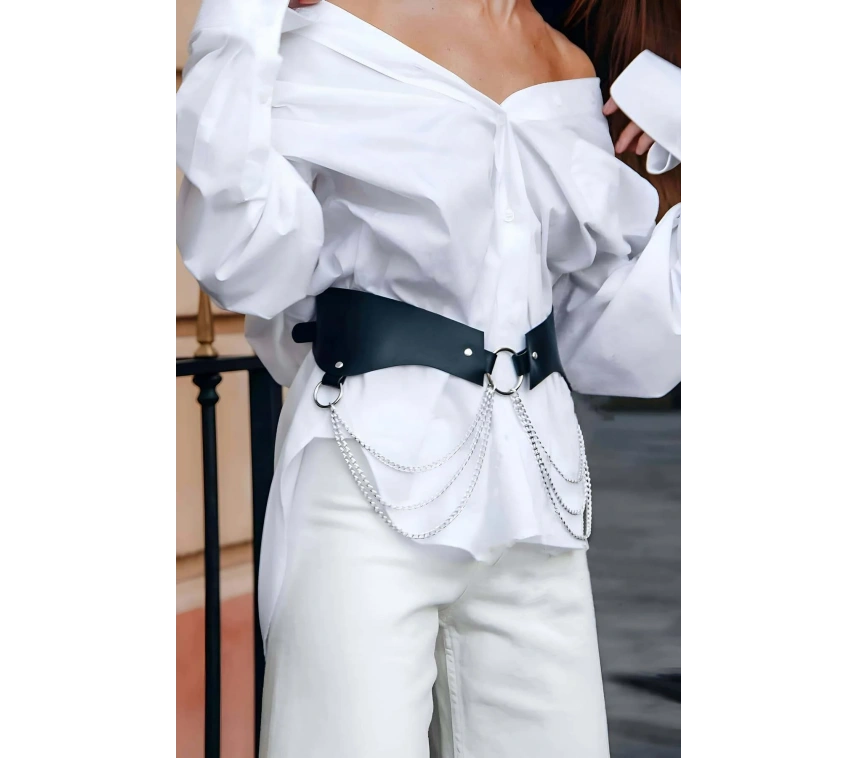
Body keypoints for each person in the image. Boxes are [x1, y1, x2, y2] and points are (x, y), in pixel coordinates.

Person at [176, 0, 682, 755]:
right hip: (366, 481)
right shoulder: (336, 28)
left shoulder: (570, 65)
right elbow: (244, 258)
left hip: (537, 503)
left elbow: (607, 343)